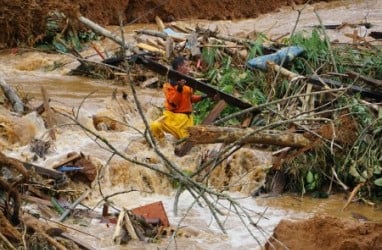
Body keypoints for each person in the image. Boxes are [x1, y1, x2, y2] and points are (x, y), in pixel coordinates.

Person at [150, 57, 206, 142]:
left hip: (185, 119)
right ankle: (163, 144)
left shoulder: (188, 83)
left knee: (185, 143)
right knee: (155, 125)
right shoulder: (169, 85)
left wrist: (202, 97)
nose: (189, 68)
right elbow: (173, 103)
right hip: (172, 116)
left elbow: (189, 99)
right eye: (186, 66)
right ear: (180, 67)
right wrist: (179, 89)